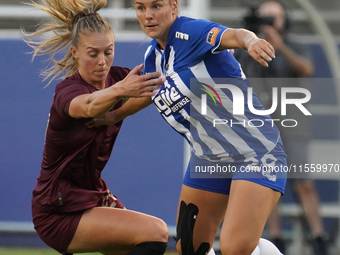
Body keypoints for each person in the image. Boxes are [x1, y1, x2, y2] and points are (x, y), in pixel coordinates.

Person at [110, 0, 286, 254]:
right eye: (140, 7)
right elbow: (147, 95)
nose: (148, 15)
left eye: (156, 6)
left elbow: (234, 34)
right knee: (190, 249)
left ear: (173, 6)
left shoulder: (190, 32)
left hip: (254, 152)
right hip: (209, 159)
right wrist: (109, 116)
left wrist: (250, 41)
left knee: (236, 248)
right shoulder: (153, 57)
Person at [25, 0, 168, 255]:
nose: (102, 61)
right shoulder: (68, 91)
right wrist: (121, 91)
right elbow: (90, 106)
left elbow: (159, 86)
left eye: (108, 52)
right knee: (156, 232)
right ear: (75, 53)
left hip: (92, 196)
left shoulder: (116, 79)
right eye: (93, 53)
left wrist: (117, 114)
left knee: (147, 242)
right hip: (58, 210)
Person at [235, 1, 328, 255]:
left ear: (285, 20)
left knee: (303, 183)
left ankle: (318, 238)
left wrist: (280, 46)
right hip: (261, 124)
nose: (269, 24)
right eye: (265, 19)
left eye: (273, 18)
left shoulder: (295, 45)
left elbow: (307, 69)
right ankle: (276, 239)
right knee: (266, 182)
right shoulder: (248, 49)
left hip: (293, 123)